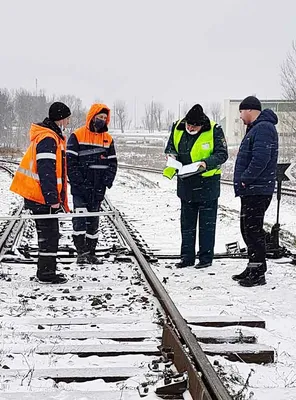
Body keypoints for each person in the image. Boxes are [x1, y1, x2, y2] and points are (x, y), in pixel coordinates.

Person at [10, 102, 71, 284]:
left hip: (39, 196)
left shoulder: (49, 136)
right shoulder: (48, 139)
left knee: (49, 235)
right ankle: (45, 274)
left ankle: (46, 271)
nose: (68, 122)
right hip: (41, 197)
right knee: (49, 236)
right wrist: (52, 199)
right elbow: (46, 171)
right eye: (67, 118)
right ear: (60, 119)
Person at [163, 104, 228, 269]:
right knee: (187, 225)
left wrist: (206, 163)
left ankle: (205, 258)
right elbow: (171, 146)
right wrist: (171, 157)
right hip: (186, 183)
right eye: (189, 125)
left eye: (195, 126)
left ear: (202, 124)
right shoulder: (177, 127)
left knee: (207, 225)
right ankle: (187, 258)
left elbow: (222, 154)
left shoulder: (214, 129)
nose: (191, 128)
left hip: (208, 185)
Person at [233, 96, 278, 287]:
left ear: (249, 110)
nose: (241, 116)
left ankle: (258, 273)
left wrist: (245, 179)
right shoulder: (257, 128)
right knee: (248, 229)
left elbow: (261, 158)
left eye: (241, 112)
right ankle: (253, 266)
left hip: (257, 189)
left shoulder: (264, 128)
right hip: (253, 189)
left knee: (253, 230)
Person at [66, 103, 117, 265]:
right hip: (80, 189)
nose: (102, 120)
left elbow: (113, 164)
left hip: (98, 188)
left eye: (104, 118)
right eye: (99, 117)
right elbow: (70, 163)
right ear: (92, 117)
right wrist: (79, 183)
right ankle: (81, 252)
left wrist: (105, 183)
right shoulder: (77, 135)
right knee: (80, 220)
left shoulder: (107, 139)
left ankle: (92, 252)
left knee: (93, 221)